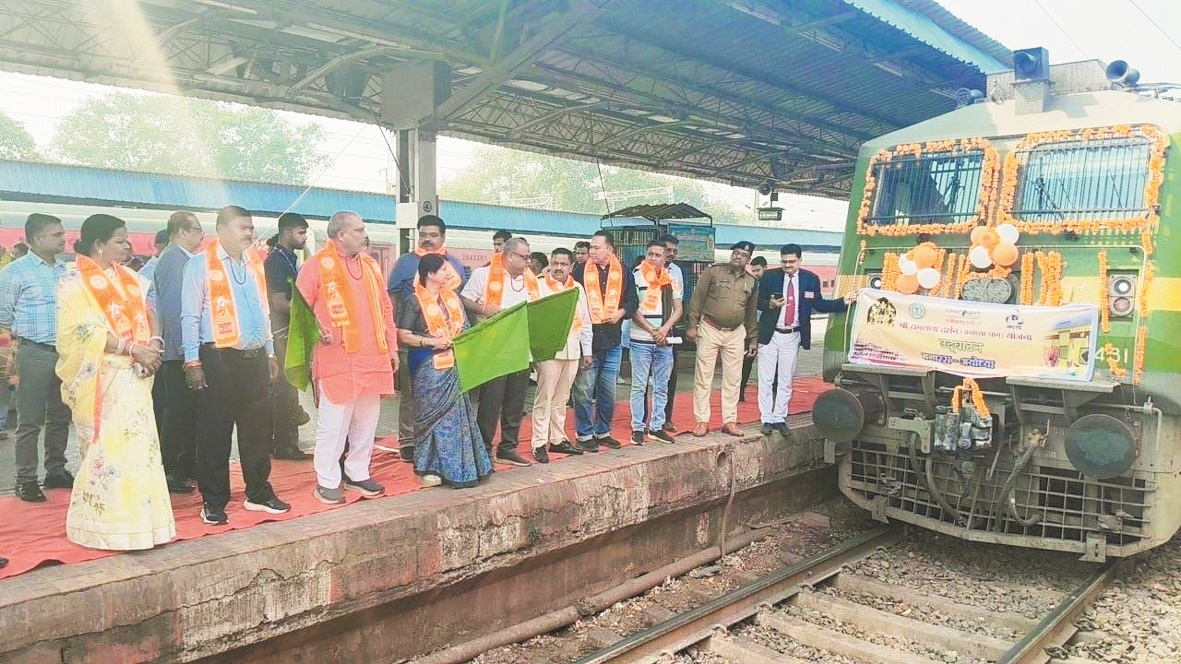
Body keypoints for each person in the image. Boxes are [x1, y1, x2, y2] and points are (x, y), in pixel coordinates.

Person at [56, 213, 175, 550]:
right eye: (121, 240)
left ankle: (144, 527)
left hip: (137, 376)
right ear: (98, 244)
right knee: (108, 452)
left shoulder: (131, 278)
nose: (128, 246)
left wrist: (153, 344)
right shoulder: (73, 282)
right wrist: (132, 349)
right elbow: (83, 331)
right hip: (104, 377)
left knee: (141, 451)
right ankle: (103, 529)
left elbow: (149, 312)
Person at [182, 205, 290, 526]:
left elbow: (263, 311)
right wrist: (192, 360)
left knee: (257, 429)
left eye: (251, 227)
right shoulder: (199, 265)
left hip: (254, 358)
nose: (249, 233)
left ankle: (258, 491)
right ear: (222, 230)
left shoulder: (254, 263)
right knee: (215, 431)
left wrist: (270, 352)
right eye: (242, 227)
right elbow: (190, 316)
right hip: (218, 358)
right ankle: (214, 500)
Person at [298, 211, 398, 504]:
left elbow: (385, 309)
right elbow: (300, 311)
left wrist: (391, 347)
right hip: (336, 360)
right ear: (341, 234)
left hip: (373, 359)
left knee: (366, 421)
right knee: (334, 424)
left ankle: (357, 472)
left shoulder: (370, 265)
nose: (364, 234)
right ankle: (327, 480)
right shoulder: (315, 266)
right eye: (359, 229)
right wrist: (317, 331)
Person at [397, 254, 492, 488]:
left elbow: (467, 329)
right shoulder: (413, 300)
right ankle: (429, 466)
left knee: (457, 414)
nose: (448, 274)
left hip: (454, 363)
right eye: (443, 270)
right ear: (430, 274)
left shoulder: (453, 299)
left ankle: (461, 467)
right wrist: (430, 343)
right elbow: (402, 334)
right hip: (426, 364)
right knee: (433, 417)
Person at [0, 213, 70, 502]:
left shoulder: (66, 271)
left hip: (66, 353)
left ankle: (56, 470)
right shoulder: (15, 272)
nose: (64, 238)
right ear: (38, 238)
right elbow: (3, 315)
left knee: (61, 415)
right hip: (34, 352)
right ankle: (26, 479)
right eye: (57, 234)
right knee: (29, 420)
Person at [387, 215, 467, 463]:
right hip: (415, 339)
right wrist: (396, 333)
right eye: (423, 234)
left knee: (447, 393)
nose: (427, 239)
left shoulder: (453, 264)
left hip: (450, 343)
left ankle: (442, 439)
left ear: (443, 236)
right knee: (411, 394)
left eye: (432, 235)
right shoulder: (405, 263)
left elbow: (458, 300)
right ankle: (409, 440)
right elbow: (392, 298)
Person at [757, 244, 855, 436]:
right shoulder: (770, 277)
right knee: (766, 378)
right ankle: (766, 418)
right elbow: (757, 302)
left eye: (792, 262)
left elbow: (818, 304)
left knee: (786, 379)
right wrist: (769, 304)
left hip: (792, 335)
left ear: (800, 261)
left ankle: (779, 417)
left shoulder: (810, 279)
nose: (788, 265)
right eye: (784, 262)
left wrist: (843, 302)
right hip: (770, 334)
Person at [460, 237, 541, 466]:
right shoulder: (483, 275)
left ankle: (508, 448)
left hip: (520, 348)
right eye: (524, 257)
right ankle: (484, 450)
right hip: (493, 349)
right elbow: (464, 299)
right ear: (510, 256)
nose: (528, 261)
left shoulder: (531, 280)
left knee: (516, 403)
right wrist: (485, 309)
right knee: (491, 402)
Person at [151, 211, 206, 494]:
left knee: (188, 411)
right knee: (178, 411)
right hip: (178, 350)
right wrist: (190, 351)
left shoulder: (183, 259)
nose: (202, 235)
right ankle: (172, 467)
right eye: (197, 229)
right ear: (182, 231)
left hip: (183, 349)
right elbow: (175, 309)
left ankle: (186, 463)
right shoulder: (175, 260)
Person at [571, 230, 638, 452]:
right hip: (588, 342)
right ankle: (584, 434)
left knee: (608, 391)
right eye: (591, 247)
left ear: (610, 250)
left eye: (596, 247)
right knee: (584, 391)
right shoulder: (580, 271)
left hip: (612, 340)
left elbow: (632, 302)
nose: (592, 251)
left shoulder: (624, 272)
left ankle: (603, 431)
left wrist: (620, 313)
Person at [685, 241, 759, 438]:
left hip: (736, 332)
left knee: (733, 379)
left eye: (743, 254)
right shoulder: (714, 272)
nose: (738, 256)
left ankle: (730, 420)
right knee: (704, 376)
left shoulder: (751, 281)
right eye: (736, 252)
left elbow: (751, 312)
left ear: (748, 259)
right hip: (710, 327)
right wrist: (692, 326)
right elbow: (697, 299)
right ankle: (701, 421)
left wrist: (753, 339)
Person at [530, 248, 592, 463]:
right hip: (547, 350)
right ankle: (538, 442)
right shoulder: (538, 286)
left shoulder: (577, 288)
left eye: (563, 264)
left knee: (562, 397)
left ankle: (558, 439)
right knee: (544, 396)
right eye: (555, 263)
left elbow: (585, 322)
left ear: (571, 266)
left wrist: (588, 351)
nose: (558, 268)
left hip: (572, 349)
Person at [263, 212, 312, 461]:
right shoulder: (276, 262)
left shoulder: (291, 258)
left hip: (291, 332)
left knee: (287, 388)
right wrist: (308, 313)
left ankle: (281, 440)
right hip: (281, 332)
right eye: (301, 233)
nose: (304, 238)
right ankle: (284, 444)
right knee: (285, 387)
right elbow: (278, 301)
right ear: (287, 232)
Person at [629, 240, 681, 445]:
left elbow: (678, 309)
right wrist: (652, 330)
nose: (653, 258)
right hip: (641, 339)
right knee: (639, 386)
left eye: (658, 255)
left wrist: (664, 329)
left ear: (665, 258)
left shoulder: (670, 280)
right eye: (650, 254)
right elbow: (634, 309)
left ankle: (657, 425)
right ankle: (637, 427)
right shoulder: (636, 275)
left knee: (662, 386)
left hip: (664, 340)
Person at [740, 256, 768, 402]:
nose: (755, 273)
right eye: (753, 270)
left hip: (765, 327)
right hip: (750, 327)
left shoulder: (768, 284)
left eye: (758, 270)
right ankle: (740, 391)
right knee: (746, 360)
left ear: (765, 268)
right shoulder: (750, 283)